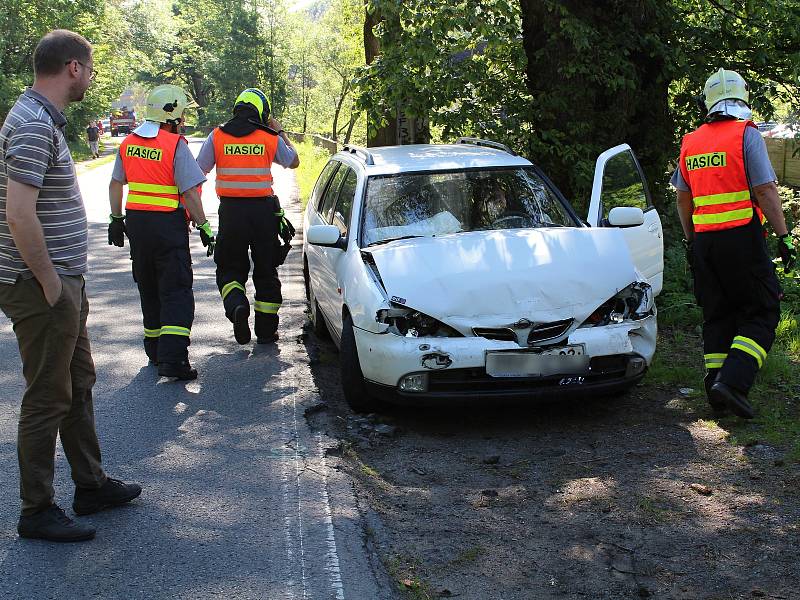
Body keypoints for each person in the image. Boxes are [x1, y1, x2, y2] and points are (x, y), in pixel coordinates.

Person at [0, 29, 141, 543]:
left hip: (60, 284)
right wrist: (50, 283)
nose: (93, 76)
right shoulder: (35, 124)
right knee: (46, 396)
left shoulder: (38, 118)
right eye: (91, 67)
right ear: (73, 69)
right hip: (42, 287)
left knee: (78, 384)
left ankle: (91, 485)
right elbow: (19, 214)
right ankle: (36, 510)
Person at [673, 67, 797, 419]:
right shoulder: (746, 135)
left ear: (707, 102)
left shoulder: (691, 141)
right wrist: (784, 236)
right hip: (741, 238)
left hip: (705, 244)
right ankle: (735, 382)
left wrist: (691, 240)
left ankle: (716, 391)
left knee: (718, 314)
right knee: (762, 310)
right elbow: (765, 189)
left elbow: (683, 199)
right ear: (743, 99)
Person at [108, 84, 213, 380]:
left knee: (149, 286)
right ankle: (174, 360)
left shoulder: (128, 143)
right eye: (181, 118)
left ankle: (154, 351)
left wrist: (116, 219)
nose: (182, 124)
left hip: (137, 226)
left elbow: (116, 184)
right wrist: (204, 225)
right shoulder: (175, 145)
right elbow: (190, 192)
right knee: (176, 290)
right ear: (171, 116)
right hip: (167, 225)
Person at [196, 88, 299, 345]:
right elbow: (293, 161)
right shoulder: (268, 136)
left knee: (230, 266)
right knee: (266, 269)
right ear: (262, 112)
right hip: (263, 214)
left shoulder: (217, 136)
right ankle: (265, 331)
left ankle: (237, 305)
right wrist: (280, 131)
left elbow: (199, 171)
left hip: (231, 213)